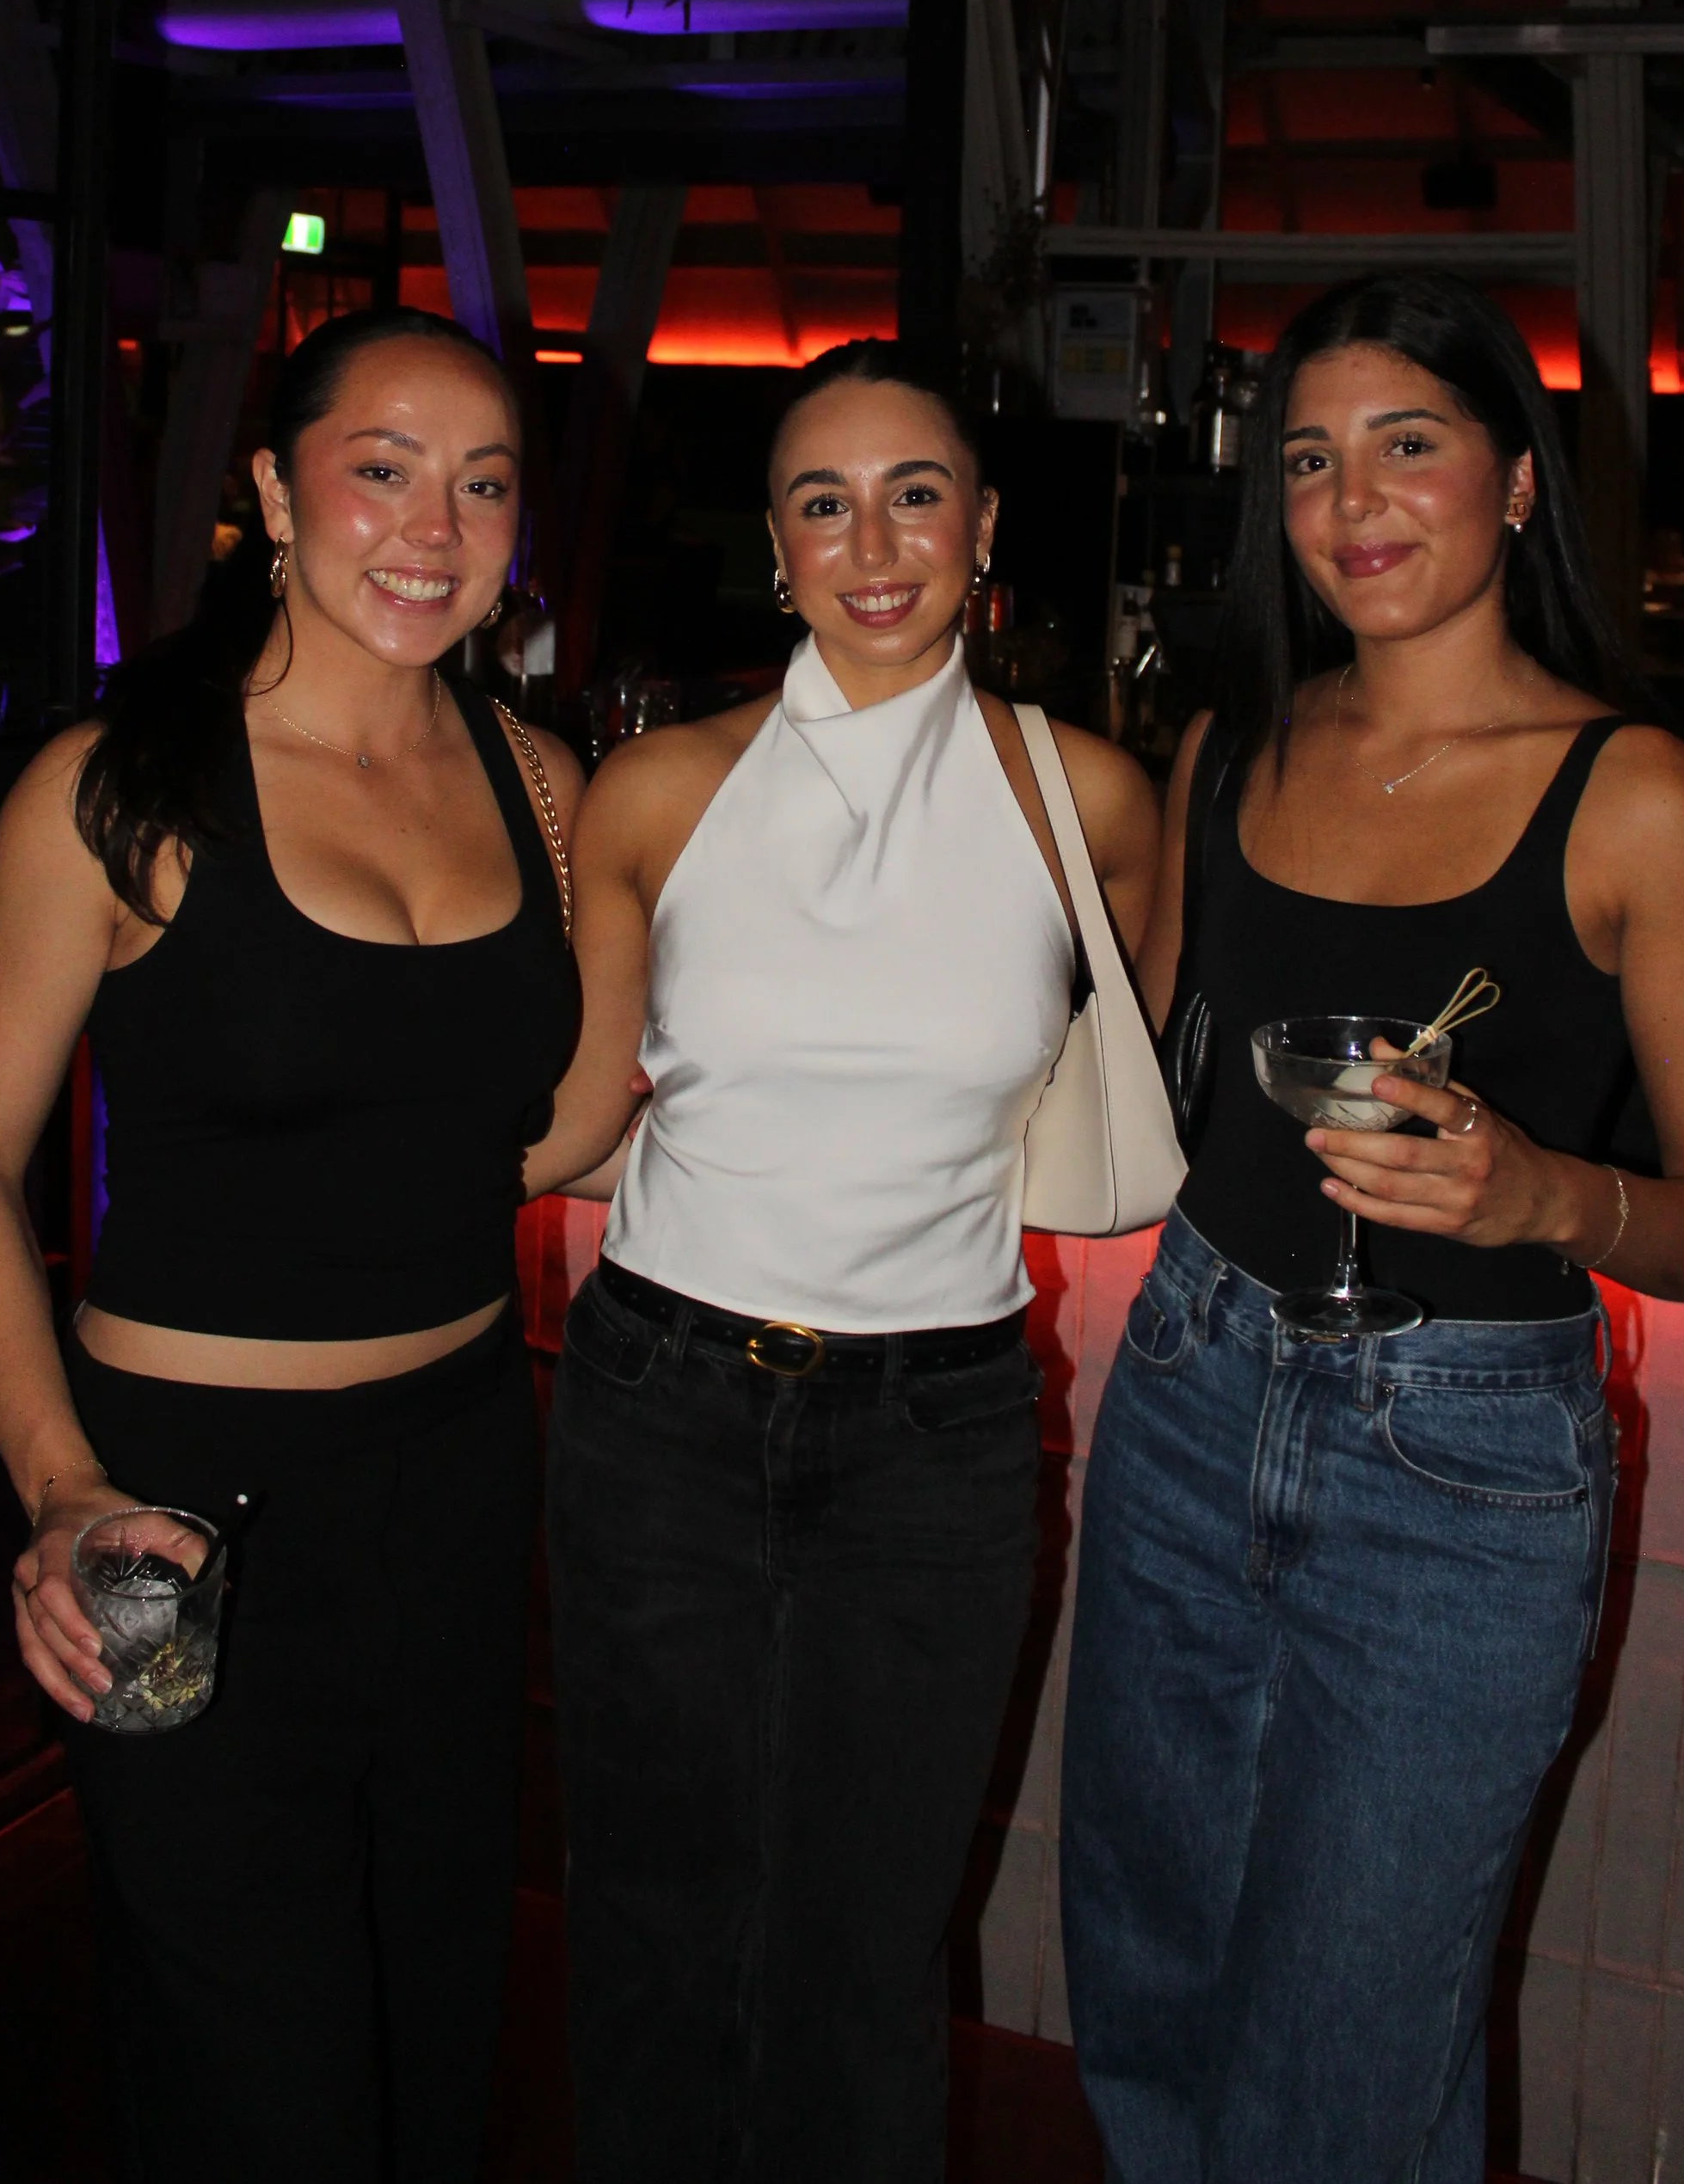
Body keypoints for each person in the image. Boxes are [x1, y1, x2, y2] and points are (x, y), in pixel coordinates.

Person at [1061, 273, 1684, 2184]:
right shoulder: (1238, 747)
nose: (1352, 502)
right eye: (1307, 458)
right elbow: (1126, 1061)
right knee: (1142, 1967)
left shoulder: (1637, 802)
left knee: (1351, 2029)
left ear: (1516, 486)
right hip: (1190, 1386)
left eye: (1406, 446)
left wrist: (1547, 1192)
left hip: (1455, 1460)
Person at [0, 305, 581, 2184]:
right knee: (248, 2073)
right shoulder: (122, 790)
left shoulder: (537, 783)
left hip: (454, 1482)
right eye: (381, 468)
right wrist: (57, 1489)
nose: (432, 525)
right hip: (171, 1511)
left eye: (482, 481)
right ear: (275, 489)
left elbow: (565, 1120)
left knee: (436, 2018)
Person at [526, 338, 1160, 2184]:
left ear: (982, 531)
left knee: (865, 1944)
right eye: (822, 500)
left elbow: (1162, 1063)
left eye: (913, 494)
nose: (869, 542)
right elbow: (574, 1113)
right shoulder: (654, 789)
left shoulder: (1089, 806)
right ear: (774, 544)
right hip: (658, 1400)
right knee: (648, 1914)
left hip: (937, 1430)